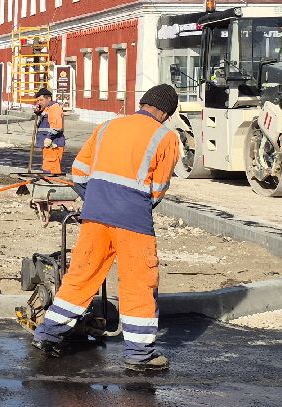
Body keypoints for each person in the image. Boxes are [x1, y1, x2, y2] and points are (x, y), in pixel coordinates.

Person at [33, 84, 181, 373]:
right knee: (139, 282)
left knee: (81, 274)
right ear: (165, 112)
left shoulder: (107, 126)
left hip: (95, 215)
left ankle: (49, 333)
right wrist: (131, 204)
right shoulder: (166, 137)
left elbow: (78, 171)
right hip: (133, 220)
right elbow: (159, 188)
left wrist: (97, 199)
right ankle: (140, 355)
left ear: (143, 102)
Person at [33, 86, 67, 177]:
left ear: (48, 99)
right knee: (48, 167)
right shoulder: (47, 108)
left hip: (53, 144)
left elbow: (56, 126)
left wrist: (49, 137)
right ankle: (49, 184)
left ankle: (52, 186)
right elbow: (44, 115)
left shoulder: (54, 108)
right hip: (48, 145)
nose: (39, 102)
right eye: (37, 101)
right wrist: (38, 112)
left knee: (51, 169)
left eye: (41, 100)